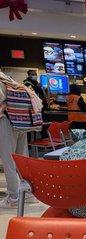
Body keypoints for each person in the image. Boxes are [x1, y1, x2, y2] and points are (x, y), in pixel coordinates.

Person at [0, 71, 38, 208]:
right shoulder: (8, 79)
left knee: (9, 160)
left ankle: (14, 197)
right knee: (22, 159)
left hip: (6, 120)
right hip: (21, 120)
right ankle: (28, 191)